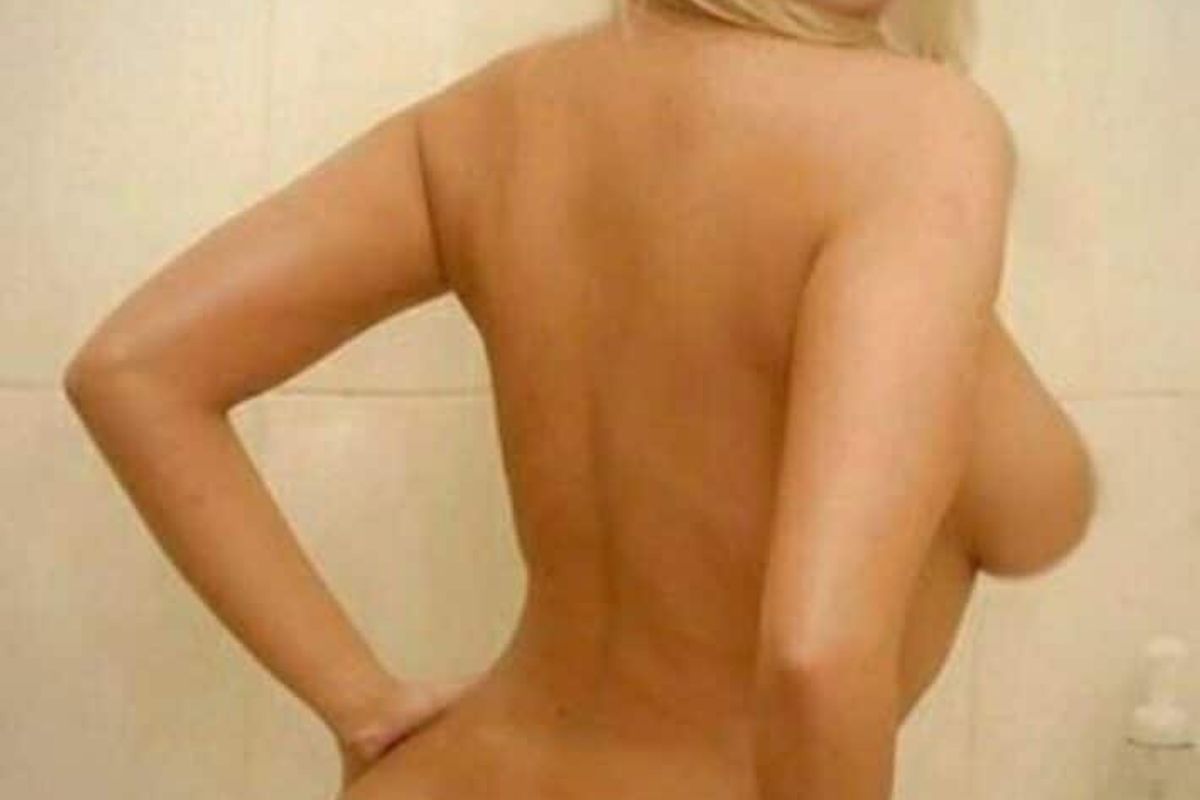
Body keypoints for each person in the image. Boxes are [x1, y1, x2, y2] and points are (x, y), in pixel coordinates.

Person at [62, 1, 1098, 797]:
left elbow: (135, 371)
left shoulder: (500, 115)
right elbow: (818, 656)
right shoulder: (914, 131)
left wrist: (363, 703)